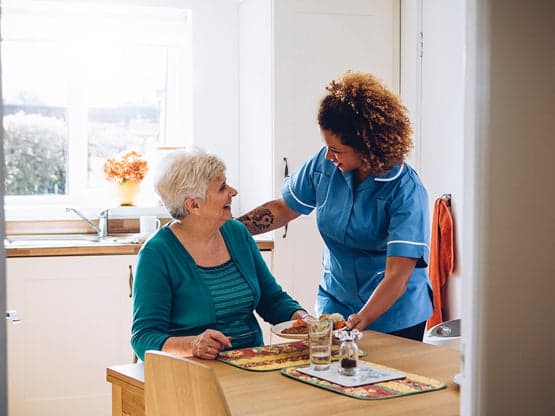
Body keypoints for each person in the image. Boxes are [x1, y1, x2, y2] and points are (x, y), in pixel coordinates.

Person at [238, 70, 432, 341]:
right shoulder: (324, 163)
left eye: (338, 150)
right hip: (336, 304)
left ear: (367, 147)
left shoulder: (405, 190)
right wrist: (230, 229)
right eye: (326, 146)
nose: (329, 155)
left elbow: (398, 276)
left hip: (394, 316)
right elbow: (284, 208)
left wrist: (362, 319)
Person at [131, 148, 307, 361]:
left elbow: (271, 300)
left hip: (250, 363)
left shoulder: (236, 232)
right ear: (193, 204)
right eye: (222, 188)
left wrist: (304, 320)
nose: (233, 192)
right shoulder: (157, 253)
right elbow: (144, 337)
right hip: (191, 372)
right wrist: (193, 344)